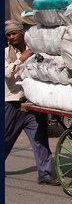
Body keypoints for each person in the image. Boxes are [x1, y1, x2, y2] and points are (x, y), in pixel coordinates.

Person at [5, 19, 60, 186]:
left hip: (32, 104)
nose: (11, 36)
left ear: (22, 34)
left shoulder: (34, 49)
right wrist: (20, 60)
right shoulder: (7, 53)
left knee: (40, 140)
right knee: (6, 138)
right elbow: (7, 74)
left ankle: (44, 175)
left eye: (14, 33)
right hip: (12, 103)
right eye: (8, 34)